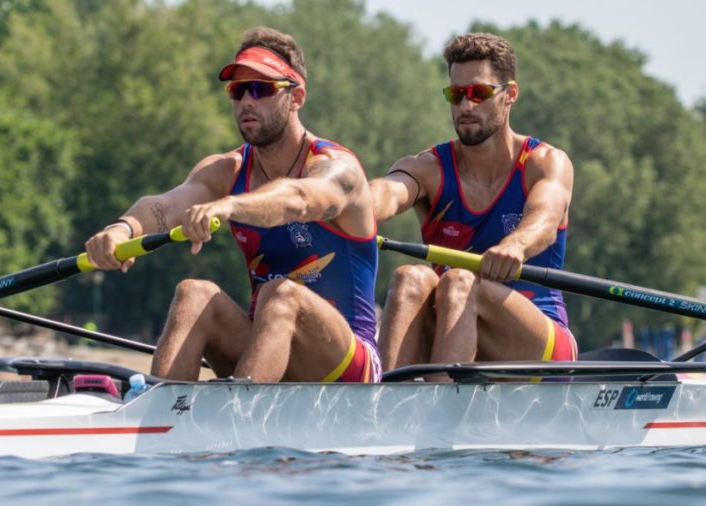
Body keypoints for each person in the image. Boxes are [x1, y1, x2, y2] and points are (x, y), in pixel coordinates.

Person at [85, 26, 381, 383]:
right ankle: (158, 420)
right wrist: (122, 230)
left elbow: (299, 199)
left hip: (349, 366)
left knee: (282, 294)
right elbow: (165, 205)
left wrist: (229, 207)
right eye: (238, 91)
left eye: (261, 89)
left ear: (297, 96)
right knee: (193, 294)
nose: (246, 102)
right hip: (267, 352)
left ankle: (238, 420)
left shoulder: (338, 167)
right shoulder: (227, 170)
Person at [370, 32, 577, 375]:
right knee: (410, 277)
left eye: (478, 94)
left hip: (540, 338)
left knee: (458, 282)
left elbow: (546, 217)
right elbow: (385, 193)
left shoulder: (545, 162)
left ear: (510, 94)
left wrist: (515, 246)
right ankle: (379, 413)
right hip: (455, 325)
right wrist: (343, 206)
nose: (465, 106)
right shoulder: (430, 168)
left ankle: (434, 412)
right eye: (456, 94)